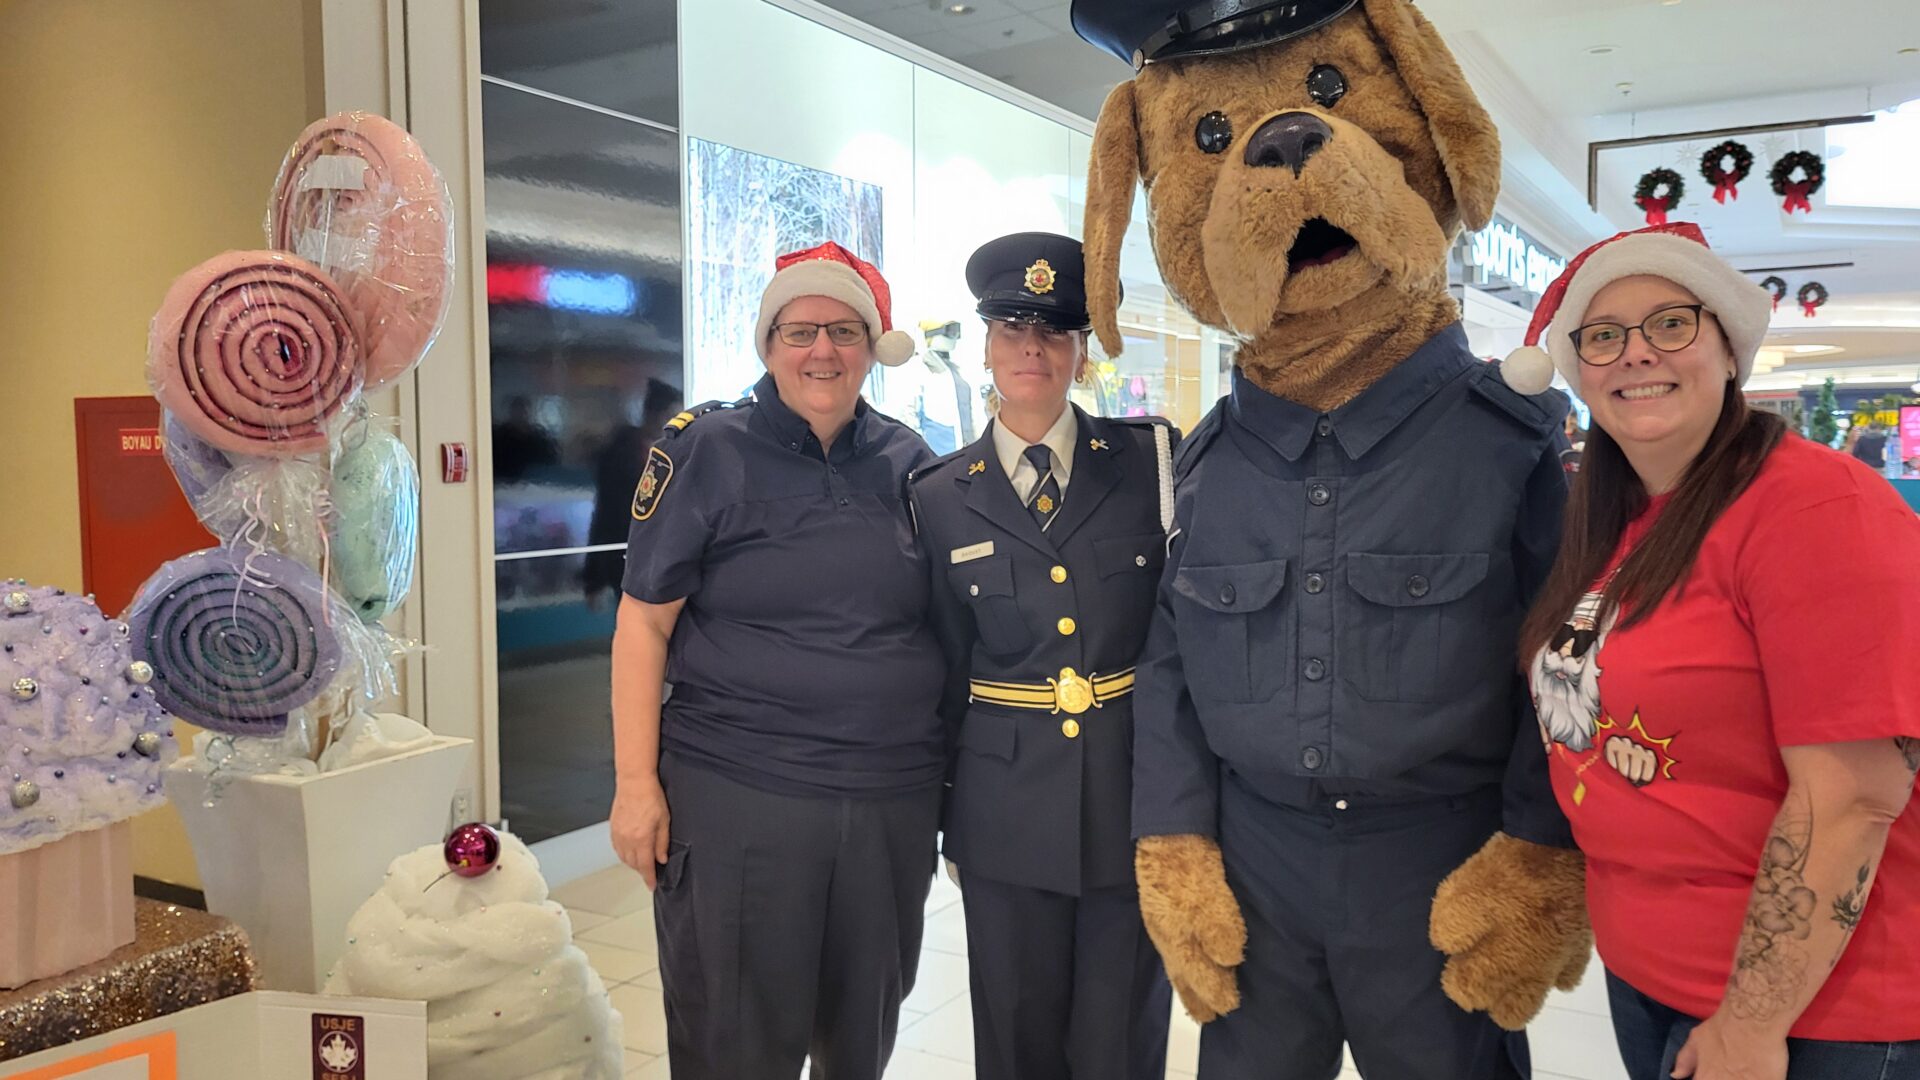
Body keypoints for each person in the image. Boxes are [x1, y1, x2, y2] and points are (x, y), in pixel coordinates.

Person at [1510, 222, 1920, 1079]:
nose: (1634, 355)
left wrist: (1750, 1021)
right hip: (1650, 977)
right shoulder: (1621, 524)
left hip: (1819, 1013)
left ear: (1729, 349)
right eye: (1603, 336)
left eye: (1670, 323)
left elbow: (1852, 800)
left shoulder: (1817, 507)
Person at [608, 241, 939, 1080]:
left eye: (843, 330)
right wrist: (636, 786)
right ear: (767, 344)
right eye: (799, 331)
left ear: (871, 347)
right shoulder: (705, 451)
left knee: (860, 1037)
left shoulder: (913, 464)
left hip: (886, 801)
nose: (821, 351)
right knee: (735, 1042)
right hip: (738, 797)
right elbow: (643, 626)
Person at [908, 232, 1175, 1080]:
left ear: (1080, 350)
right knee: (1015, 1039)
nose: (1033, 347)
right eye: (1013, 329)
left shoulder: (1149, 463)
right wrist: (944, 817)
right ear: (986, 346)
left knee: (1122, 1040)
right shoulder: (937, 496)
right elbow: (943, 674)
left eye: (1055, 331)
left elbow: (1178, 646)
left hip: (1129, 802)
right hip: (1002, 813)